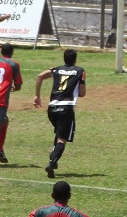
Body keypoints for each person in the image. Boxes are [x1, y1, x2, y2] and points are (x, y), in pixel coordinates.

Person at [33, 49, 87, 178]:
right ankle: (52, 162)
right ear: (75, 59)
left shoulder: (56, 70)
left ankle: (54, 156)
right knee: (62, 140)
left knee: (59, 133)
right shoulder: (80, 71)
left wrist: (37, 96)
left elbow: (40, 76)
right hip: (66, 108)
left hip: (52, 108)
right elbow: (82, 93)